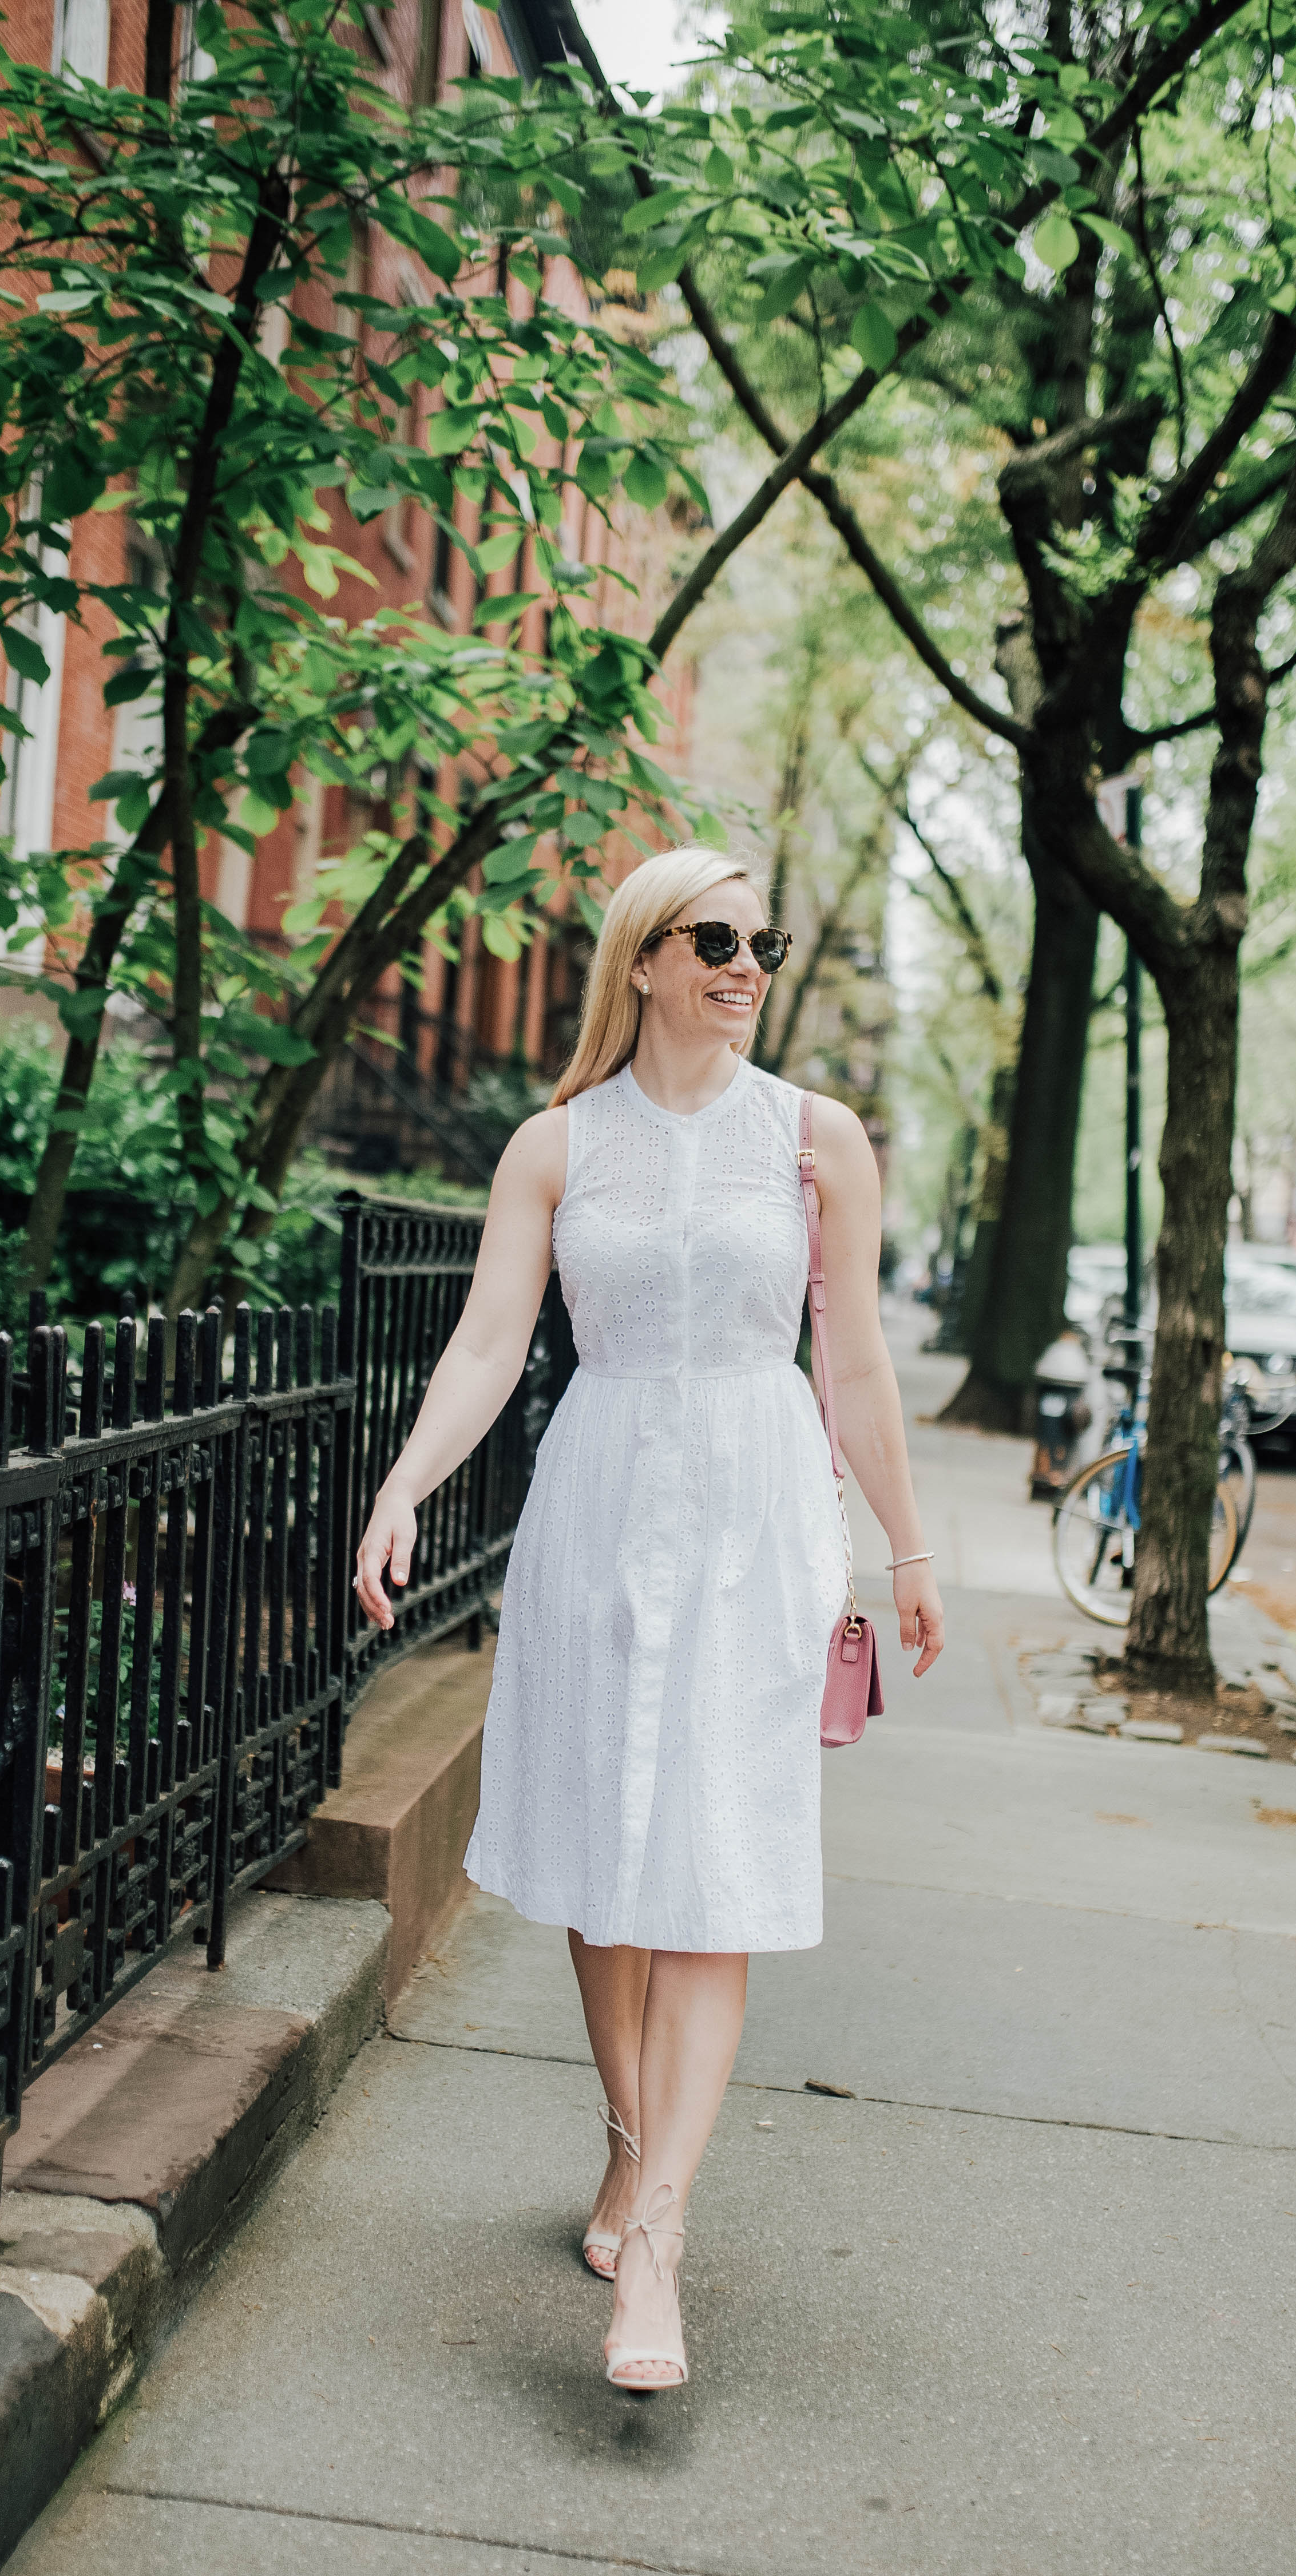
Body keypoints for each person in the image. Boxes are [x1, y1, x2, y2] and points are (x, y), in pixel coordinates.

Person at [352, 846, 944, 2392]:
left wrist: (912, 1550)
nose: (752, 966)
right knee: (608, 1864)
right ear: (645, 960)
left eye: (767, 942)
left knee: (713, 1868)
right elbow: (490, 1345)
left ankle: (661, 2246)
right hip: (598, 1508)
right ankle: (626, 2140)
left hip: (761, 1516)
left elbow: (858, 1364)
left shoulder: (819, 1143)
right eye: (720, 941)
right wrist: (407, 1483)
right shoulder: (558, 1146)